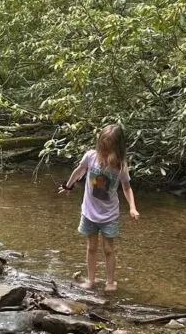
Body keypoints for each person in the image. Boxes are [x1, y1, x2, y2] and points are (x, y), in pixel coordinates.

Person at [59, 123, 139, 292]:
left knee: (108, 249)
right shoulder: (90, 156)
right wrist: (68, 186)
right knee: (91, 247)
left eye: (108, 149)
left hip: (109, 214)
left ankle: (110, 282)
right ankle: (91, 280)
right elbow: (79, 170)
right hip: (89, 211)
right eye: (102, 147)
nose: (104, 152)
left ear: (117, 149)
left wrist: (132, 207)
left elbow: (126, 187)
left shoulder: (120, 166)